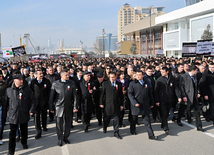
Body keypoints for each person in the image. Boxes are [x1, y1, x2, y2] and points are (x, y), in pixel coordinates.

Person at [2, 74, 36, 155]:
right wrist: (4, 115)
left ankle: (24, 142)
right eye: (19, 80)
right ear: (14, 81)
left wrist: (31, 110)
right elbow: (5, 103)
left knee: (24, 131)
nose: (21, 81)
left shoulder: (27, 89)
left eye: (22, 79)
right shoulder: (8, 90)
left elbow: (33, 100)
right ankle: (11, 151)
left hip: (23, 113)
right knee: (12, 134)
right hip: (13, 115)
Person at [49, 68, 78, 146]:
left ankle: (66, 137)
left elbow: (75, 96)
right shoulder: (55, 84)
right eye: (66, 75)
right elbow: (51, 97)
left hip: (68, 106)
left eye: (68, 74)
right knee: (59, 124)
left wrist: (75, 106)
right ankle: (60, 138)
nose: (68, 76)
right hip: (59, 107)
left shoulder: (71, 83)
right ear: (61, 75)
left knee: (68, 123)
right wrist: (51, 108)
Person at [128, 71, 157, 140]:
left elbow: (150, 94)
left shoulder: (147, 82)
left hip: (145, 104)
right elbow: (130, 94)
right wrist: (134, 103)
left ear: (143, 75)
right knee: (134, 119)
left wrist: (152, 103)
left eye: (139, 75)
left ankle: (151, 135)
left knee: (147, 121)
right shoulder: (132, 83)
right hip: (136, 105)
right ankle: (132, 129)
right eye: (137, 75)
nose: (138, 76)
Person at [177, 65, 205, 132]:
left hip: (194, 96)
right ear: (193, 70)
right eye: (196, 70)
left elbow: (196, 86)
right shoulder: (184, 76)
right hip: (187, 96)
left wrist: (198, 92)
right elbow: (181, 87)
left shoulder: (194, 76)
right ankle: (178, 120)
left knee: (197, 111)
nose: (197, 71)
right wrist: (183, 96)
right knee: (182, 109)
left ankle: (199, 126)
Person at [155, 67, 181, 134]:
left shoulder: (171, 78)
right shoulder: (159, 80)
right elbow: (156, 91)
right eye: (161, 72)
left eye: (163, 72)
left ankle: (163, 123)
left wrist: (179, 97)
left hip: (170, 99)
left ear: (167, 72)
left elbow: (175, 88)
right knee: (163, 113)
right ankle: (166, 127)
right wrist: (157, 100)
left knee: (166, 113)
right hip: (162, 99)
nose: (162, 73)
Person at [100, 72, 123, 139]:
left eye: (113, 77)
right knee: (107, 118)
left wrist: (121, 105)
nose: (112, 79)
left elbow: (121, 96)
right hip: (108, 104)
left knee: (116, 119)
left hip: (116, 104)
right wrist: (101, 103)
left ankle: (116, 132)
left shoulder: (119, 84)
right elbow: (102, 95)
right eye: (110, 77)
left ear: (116, 77)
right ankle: (105, 127)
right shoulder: (105, 84)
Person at [30, 69, 51, 139]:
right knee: (37, 118)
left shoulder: (46, 81)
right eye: (39, 74)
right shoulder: (33, 82)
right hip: (36, 103)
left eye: (42, 73)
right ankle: (38, 132)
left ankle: (44, 126)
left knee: (44, 115)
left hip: (44, 102)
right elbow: (31, 92)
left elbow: (49, 91)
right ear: (36, 75)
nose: (41, 75)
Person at [0, 71, 8, 145]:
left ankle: (0, 137)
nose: (0, 78)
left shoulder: (5, 84)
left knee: (1, 123)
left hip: (2, 105)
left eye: (1, 76)